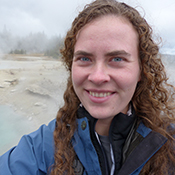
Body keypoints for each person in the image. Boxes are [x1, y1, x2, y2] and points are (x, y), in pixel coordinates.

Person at [1, 0, 175, 174]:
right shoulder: (41, 149)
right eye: (85, 59)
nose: (98, 77)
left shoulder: (169, 145)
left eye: (117, 59)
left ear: (141, 69)